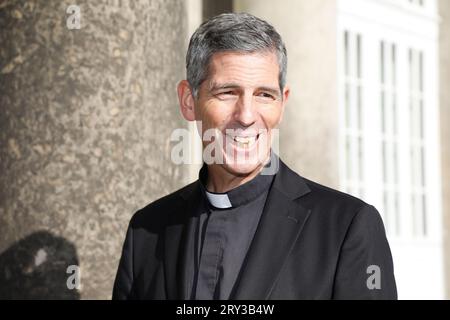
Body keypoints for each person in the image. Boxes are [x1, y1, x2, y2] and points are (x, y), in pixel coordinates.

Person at [112, 12, 397, 300]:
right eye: (227, 92)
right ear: (189, 101)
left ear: (282, 104)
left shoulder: (347, 227)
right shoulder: (146, 230)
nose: (246, 116)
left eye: (264, 95)